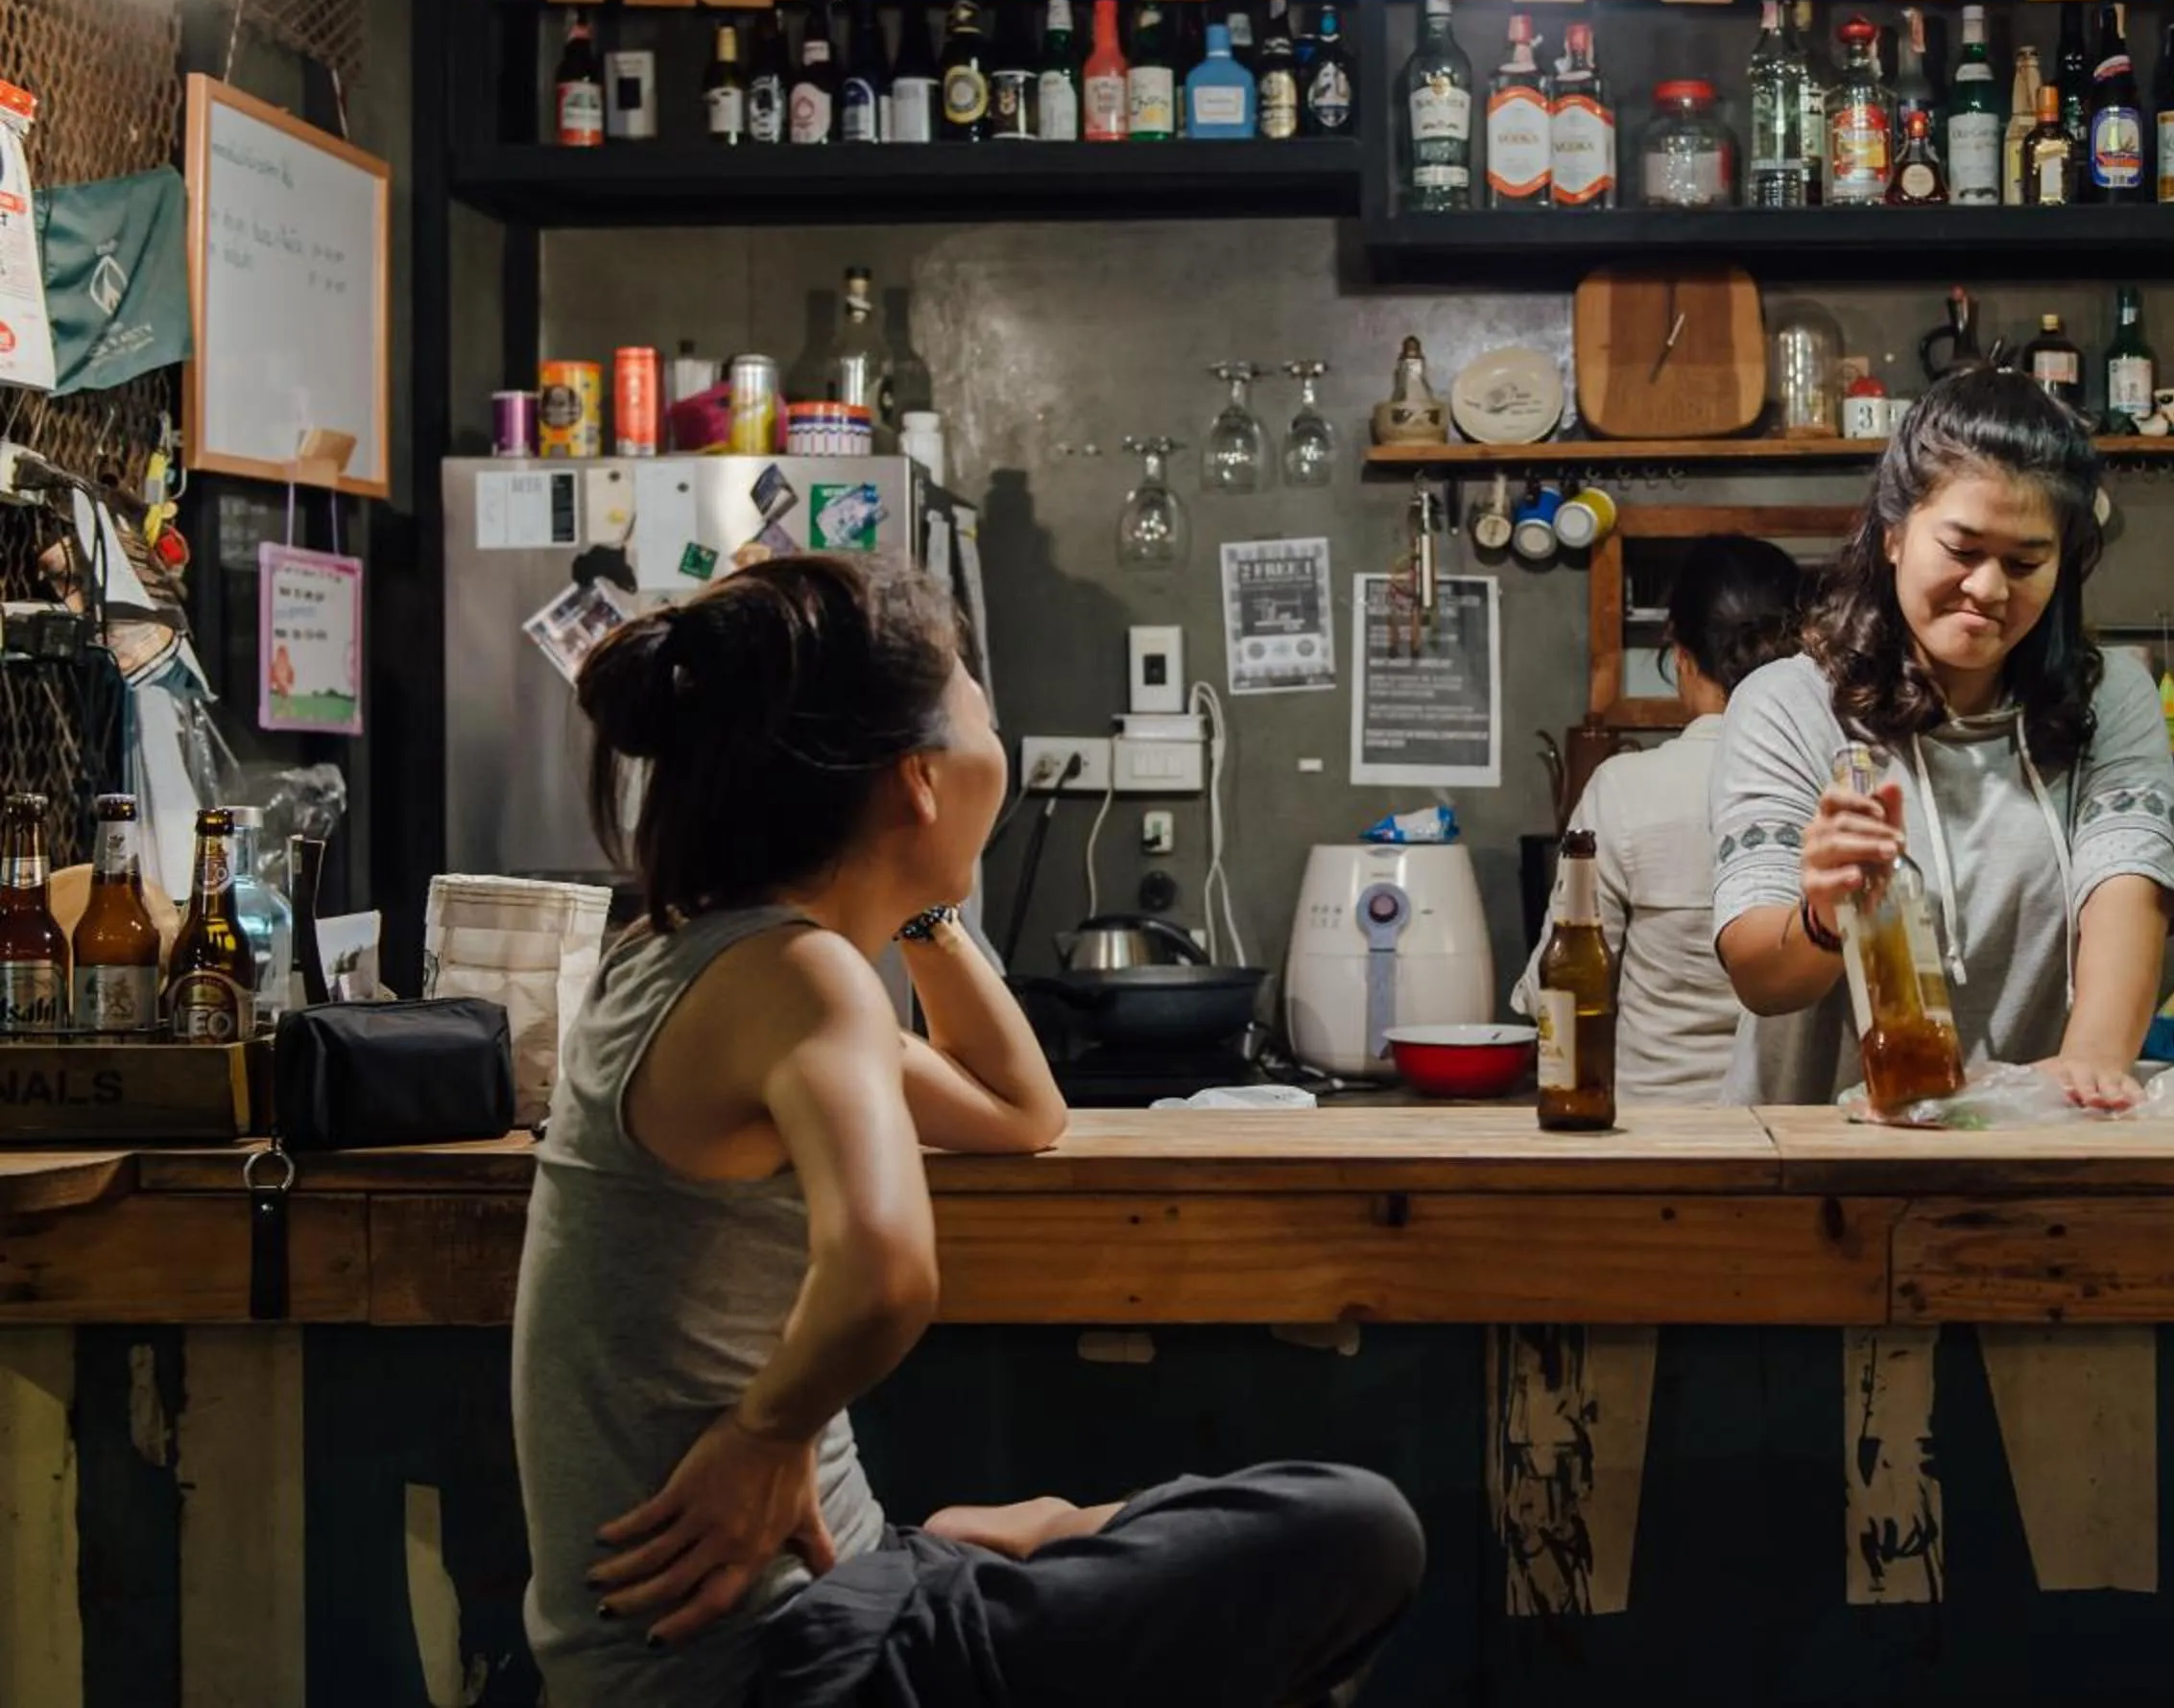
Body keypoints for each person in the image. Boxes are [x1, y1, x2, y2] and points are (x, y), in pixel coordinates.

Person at [513, 555, 1422, 1708]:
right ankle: (1015, 1544)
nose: (1004, 741)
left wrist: (920, 907)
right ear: (921, 781)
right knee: (1353, 1528)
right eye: (983, 715)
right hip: (782, 1663)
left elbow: (1016, 1112)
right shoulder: (796, 981)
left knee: (1150, 1526)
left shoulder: (703, 956)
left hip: (822, 1604)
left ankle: (1015, 1538)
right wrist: (765, 1433)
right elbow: (887, 1273)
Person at [1708, 367, 2174, 1109]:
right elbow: (1761, 980)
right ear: (1895, 534)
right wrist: (1823, 914)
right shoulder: (1790, 705)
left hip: (2033, 1145)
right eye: (1962, 551)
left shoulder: (2109, 697)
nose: (1990, 589)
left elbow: (2125, 887)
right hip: (1819, 1162)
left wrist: (2088, 1068)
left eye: (2026, 562)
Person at [1509, 534, 1807, 1100]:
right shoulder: (1837, 783)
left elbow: (1559, 983)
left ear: (1682, 659)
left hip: (1660, 1135)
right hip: (1793, 1127)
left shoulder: (1625, 789)